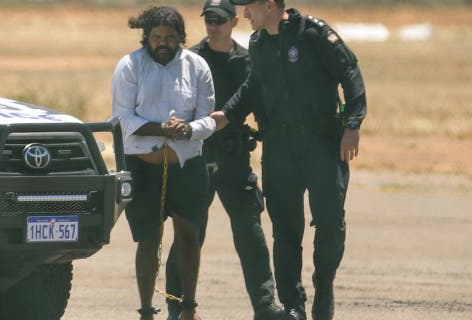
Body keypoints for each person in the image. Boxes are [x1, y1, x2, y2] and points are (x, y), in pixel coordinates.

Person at [210, 1, 367, 319]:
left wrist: (352, 125)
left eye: (249, 8)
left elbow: (350, 74)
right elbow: (254, 86)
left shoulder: (314, 34)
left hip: (322, 145)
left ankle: (323, 289)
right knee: (285, 229)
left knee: (329, 223)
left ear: (269, 5)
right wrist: (226, 115)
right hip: (280, 147)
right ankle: (293, 304)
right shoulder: (258, 42)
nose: (246, 15)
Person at [164, 1, 283, 319]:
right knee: (190, 234)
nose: (212, 25)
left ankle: (265, 306)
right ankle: (177, 307)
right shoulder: (189, 60)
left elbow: (262, 106)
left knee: (250, 233)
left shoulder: (248, 61)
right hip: (196, 157)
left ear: (233, 21)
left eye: (219, 20)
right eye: (208, 19)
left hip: (234, 159)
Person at [111, 6, 217, 320]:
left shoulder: (197, 66)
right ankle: (146, 309)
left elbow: (208, 120)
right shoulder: (130, 66)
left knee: (189, 236)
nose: (162, 42)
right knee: (149, 239)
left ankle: (188, 308)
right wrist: (162, 130)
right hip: (144, 168)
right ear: (147, 37)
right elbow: (122, 117)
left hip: (186, 167)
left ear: (180, 38)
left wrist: (187, 130)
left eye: (170, 37)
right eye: (156, 36)